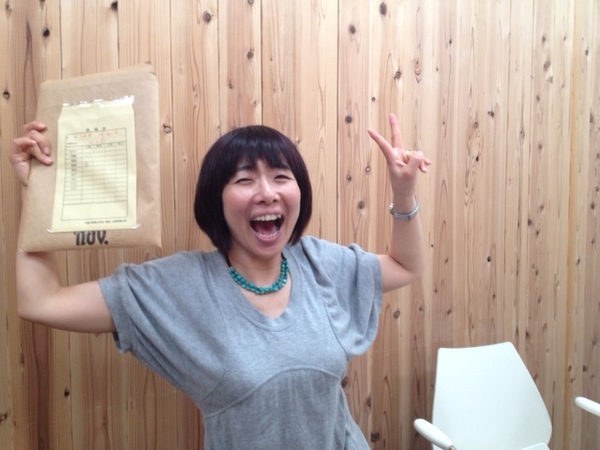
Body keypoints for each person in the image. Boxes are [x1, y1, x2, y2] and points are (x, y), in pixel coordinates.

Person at [10, 113, 430, 449]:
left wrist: (404, 192)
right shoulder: (181, 288)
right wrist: (38, 193)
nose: (267, 192)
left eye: (281, 177)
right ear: (216, 201)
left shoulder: (320, 262)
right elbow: (41, 301)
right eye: (245, 180)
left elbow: (404, 265)